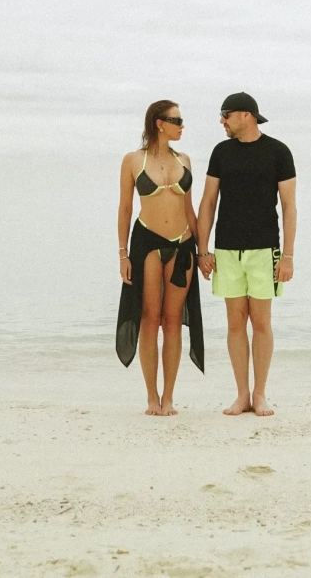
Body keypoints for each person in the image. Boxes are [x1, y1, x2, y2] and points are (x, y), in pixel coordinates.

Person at [196, 92, 296, 417]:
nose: (221, 121)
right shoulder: (221, 152)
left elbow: (289, 206)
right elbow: (208, 202)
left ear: (246, 115)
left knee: (262, 322)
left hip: (265, 249)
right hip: (226, 250)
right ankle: (242, 395)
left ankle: (260, 394)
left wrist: (288, 256)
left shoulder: (278, 152)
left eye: (225, 115)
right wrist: (202, 250)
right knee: (235, 323)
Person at [115, 100, 203, 415]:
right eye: (177, 120)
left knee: (173, 321)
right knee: (150, 319)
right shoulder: (132, 160)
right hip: (147, 243)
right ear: (159, 123)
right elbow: (126, 208)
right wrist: (123, 253)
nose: (182, 126)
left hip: (183, 244)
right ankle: (152, 397)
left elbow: (189, 209)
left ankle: (169, 397)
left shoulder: (185, 160)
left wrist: (203, 251)